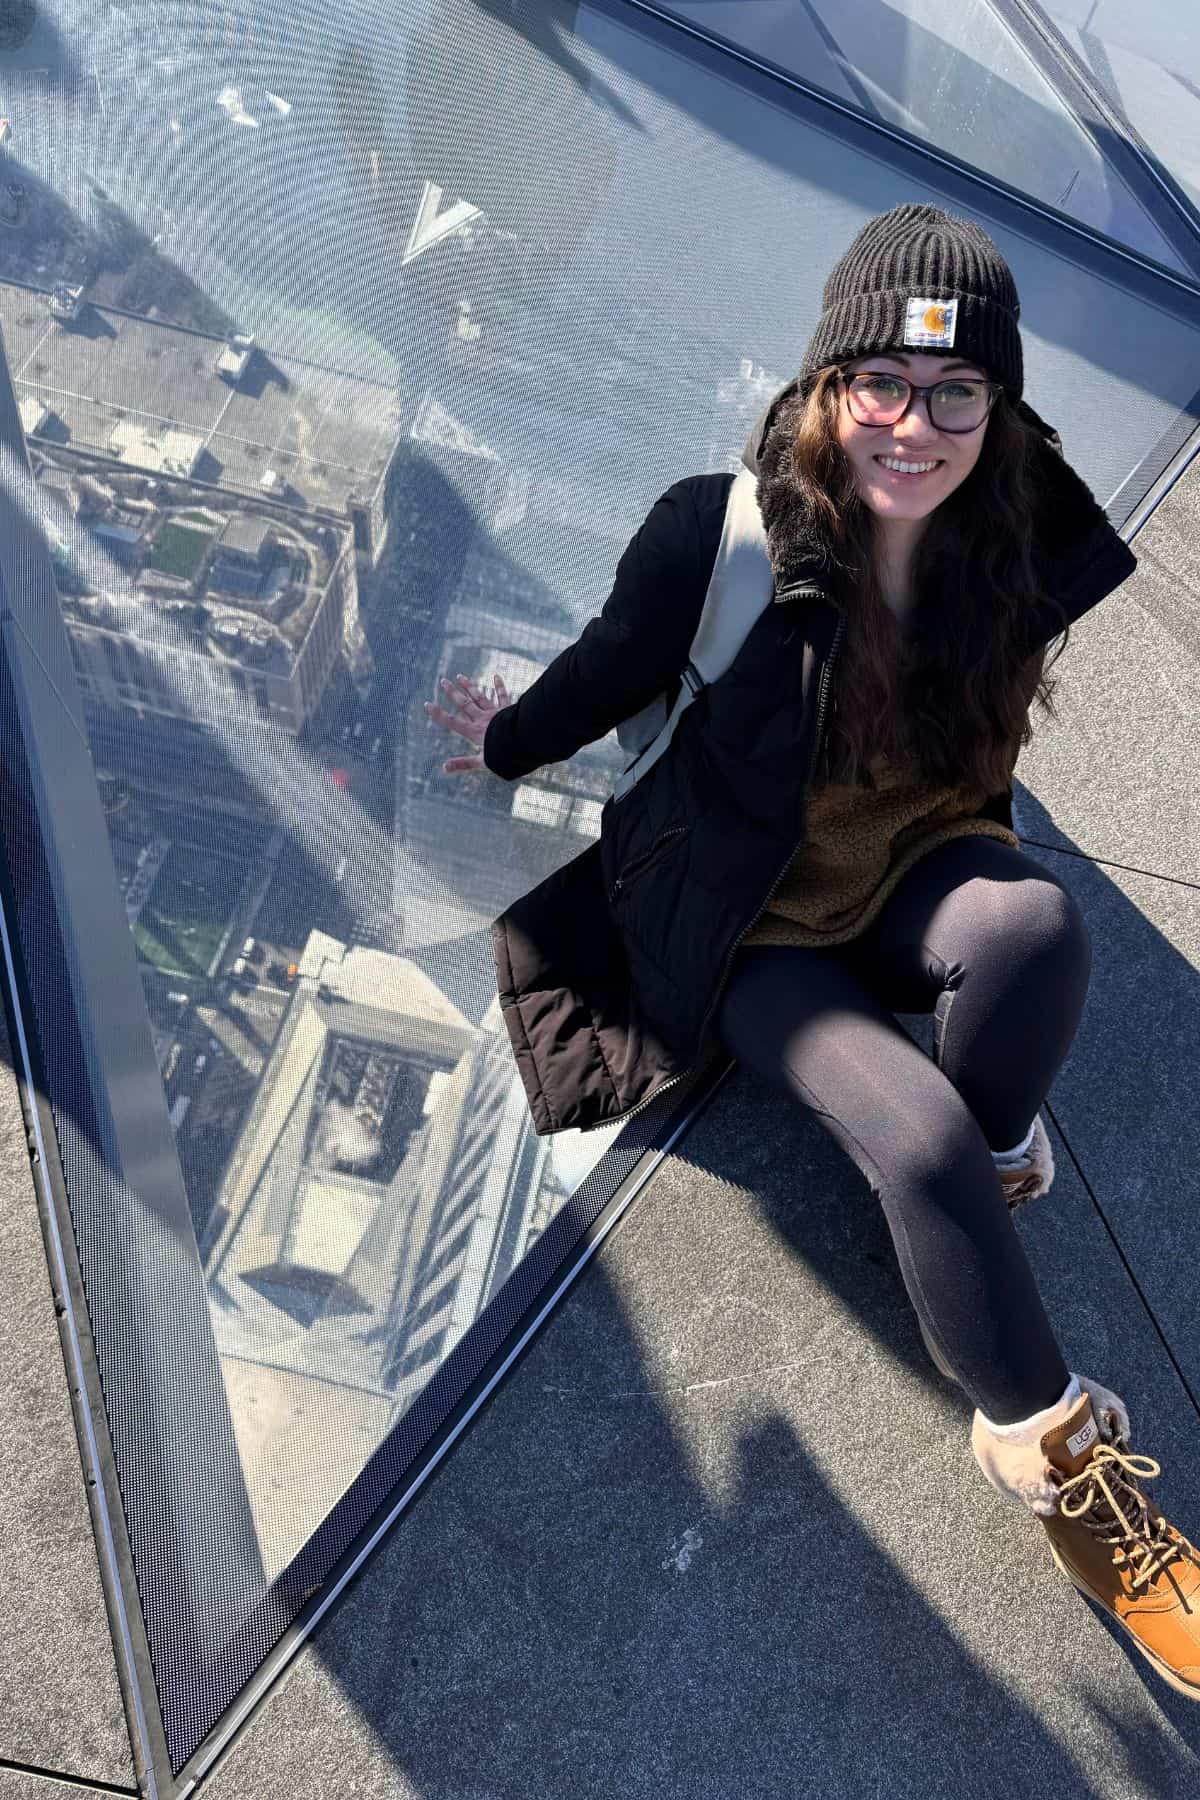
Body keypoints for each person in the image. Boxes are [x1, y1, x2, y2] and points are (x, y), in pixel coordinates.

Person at [424, 203, 1200, 1695]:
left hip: (916, 860)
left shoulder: (1011, 520)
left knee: (1036, 929)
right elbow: (609, 668)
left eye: (956, 394)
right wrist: (507, 739)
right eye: (881, 389)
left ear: (999, 403)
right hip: (758, 914)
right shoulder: (715, 530)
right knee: (911, 1145)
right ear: (829, 382)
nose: (914, 428)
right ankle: (1053, 1461)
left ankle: (988, 1170)